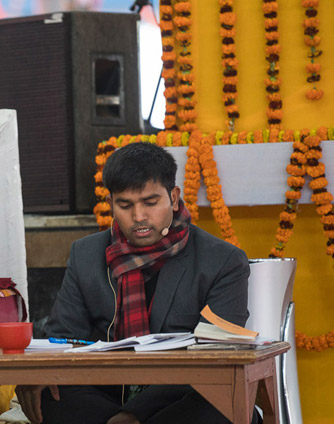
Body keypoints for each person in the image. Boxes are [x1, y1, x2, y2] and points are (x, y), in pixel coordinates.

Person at [16, 142, 251, 424]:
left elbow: (216, 358)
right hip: (108, 394)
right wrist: (38, 372)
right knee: (45, 394)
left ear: (174, 198)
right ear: (111, 202)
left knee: (219, 404)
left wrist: (134, 414)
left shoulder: (223, 261)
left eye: (150, 203)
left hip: (179, 398)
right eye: (125, 205)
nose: (138, 217)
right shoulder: (86, 254)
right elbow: (63, 338)